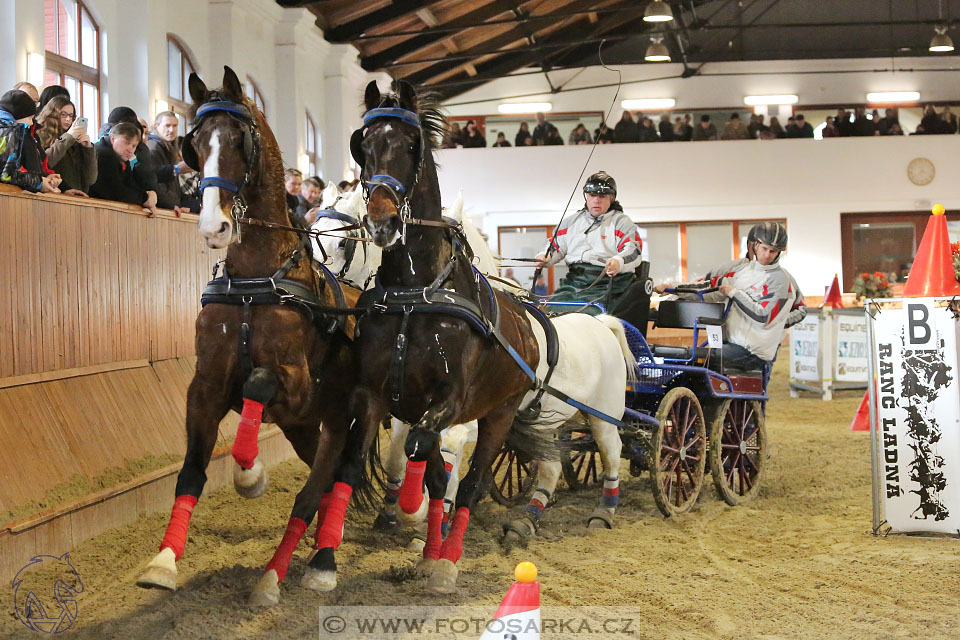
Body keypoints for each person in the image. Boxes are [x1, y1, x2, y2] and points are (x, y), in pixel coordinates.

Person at [656, 222, 803, 371]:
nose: (767, 255)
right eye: (765, 248)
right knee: (692, 360)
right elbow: (710, 287)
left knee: (697, 359)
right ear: (756, 246)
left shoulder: (781, 280)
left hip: (753, 352)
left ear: (779, 253)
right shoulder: (741, 271)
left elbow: (763, 317)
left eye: (773, 251)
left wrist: (735, 293)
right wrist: (673, 288)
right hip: (734, 344)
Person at [534, 171, 643, 315]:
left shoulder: (622, 223)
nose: (596, 200)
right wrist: (545, 257)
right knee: (550, 311)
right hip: (574, 283)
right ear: (586, 196)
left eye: (602, 196)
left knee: (590, 314)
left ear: (612, 198)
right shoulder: (570, 222)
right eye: (592, 195)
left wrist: (618, 261)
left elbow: (633, 251)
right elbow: (555, 246)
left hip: (608, 284)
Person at [90, 122, 159, 215]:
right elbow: (117, 191)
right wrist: (145, 199)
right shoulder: (103, 154)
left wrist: (149, 194)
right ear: (113, 139)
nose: (130, 150)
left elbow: (129, 183)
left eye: (134, 146)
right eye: (126, 143)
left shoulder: (120, 156)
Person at [0, 89, 61, 193]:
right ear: (18, 115)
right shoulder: (9, 132)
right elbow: (6, 175)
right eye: (29, 118)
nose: (31, 123)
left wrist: (44, 178)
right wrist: (39, 183)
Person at [35, 95, 96, 196]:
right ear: (52, 113)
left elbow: (91, 178)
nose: (68, 119)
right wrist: (68, 136)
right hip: (53, 194)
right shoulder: (40, 134)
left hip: (78, 195)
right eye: (63, 114)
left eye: (71, 115)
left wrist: (88, 148)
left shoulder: (76, 141)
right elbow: (46, 162)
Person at [146, 111, 196, 213]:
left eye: (175, 126)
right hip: (164, 209)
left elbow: (176, 190)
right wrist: (171, 206)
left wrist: (199, 205)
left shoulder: (169, 148)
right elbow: (155, 183)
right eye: (167, 126)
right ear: (156, 127)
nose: (171, 130)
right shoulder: (153, 148)